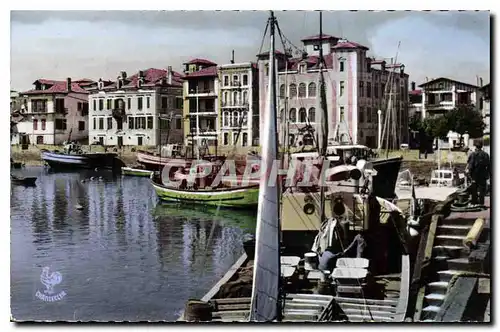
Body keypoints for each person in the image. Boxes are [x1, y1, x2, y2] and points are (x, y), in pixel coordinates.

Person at [466, 140, 491, 207]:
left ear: (475, 146)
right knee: (482, 190)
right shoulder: (486, 154)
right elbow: (489, 166)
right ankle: (481, 203)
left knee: (474, 189)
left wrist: (469, 174)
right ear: (481, 146)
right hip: (483, 174)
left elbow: (470, 165)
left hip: (474, 174)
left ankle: (474, 203)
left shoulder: (473, 154)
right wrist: (488, 174)